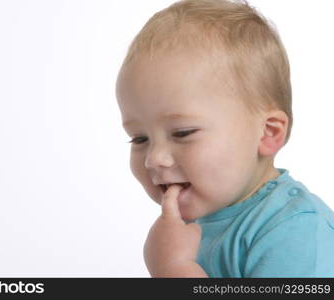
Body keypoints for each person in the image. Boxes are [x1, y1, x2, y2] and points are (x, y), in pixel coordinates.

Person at [115, 0, 334, 277]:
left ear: (268, 133)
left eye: (183, 132)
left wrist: (174, 269)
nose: (153, 158)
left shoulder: (295, 230)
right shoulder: (194, 224)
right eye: (139, 138)